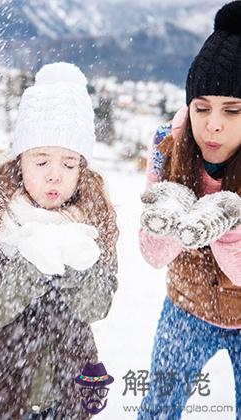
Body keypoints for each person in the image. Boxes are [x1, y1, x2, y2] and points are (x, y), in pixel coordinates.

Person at [0, 62, 119, 419]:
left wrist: (74, 256)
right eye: (41, 161)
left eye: (69, 164)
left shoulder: (92, 221)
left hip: (64, 391)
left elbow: (94, 307)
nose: (55, 175)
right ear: (20, 160)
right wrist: (32, 260)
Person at [138, 2, 241, 418]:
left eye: (232, 110)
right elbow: (153, 254)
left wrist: (221, 222)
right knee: (158, 410)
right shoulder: (168, 148)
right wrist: (169, 219)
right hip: (187, 306)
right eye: (201, 107)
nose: (212, 124)